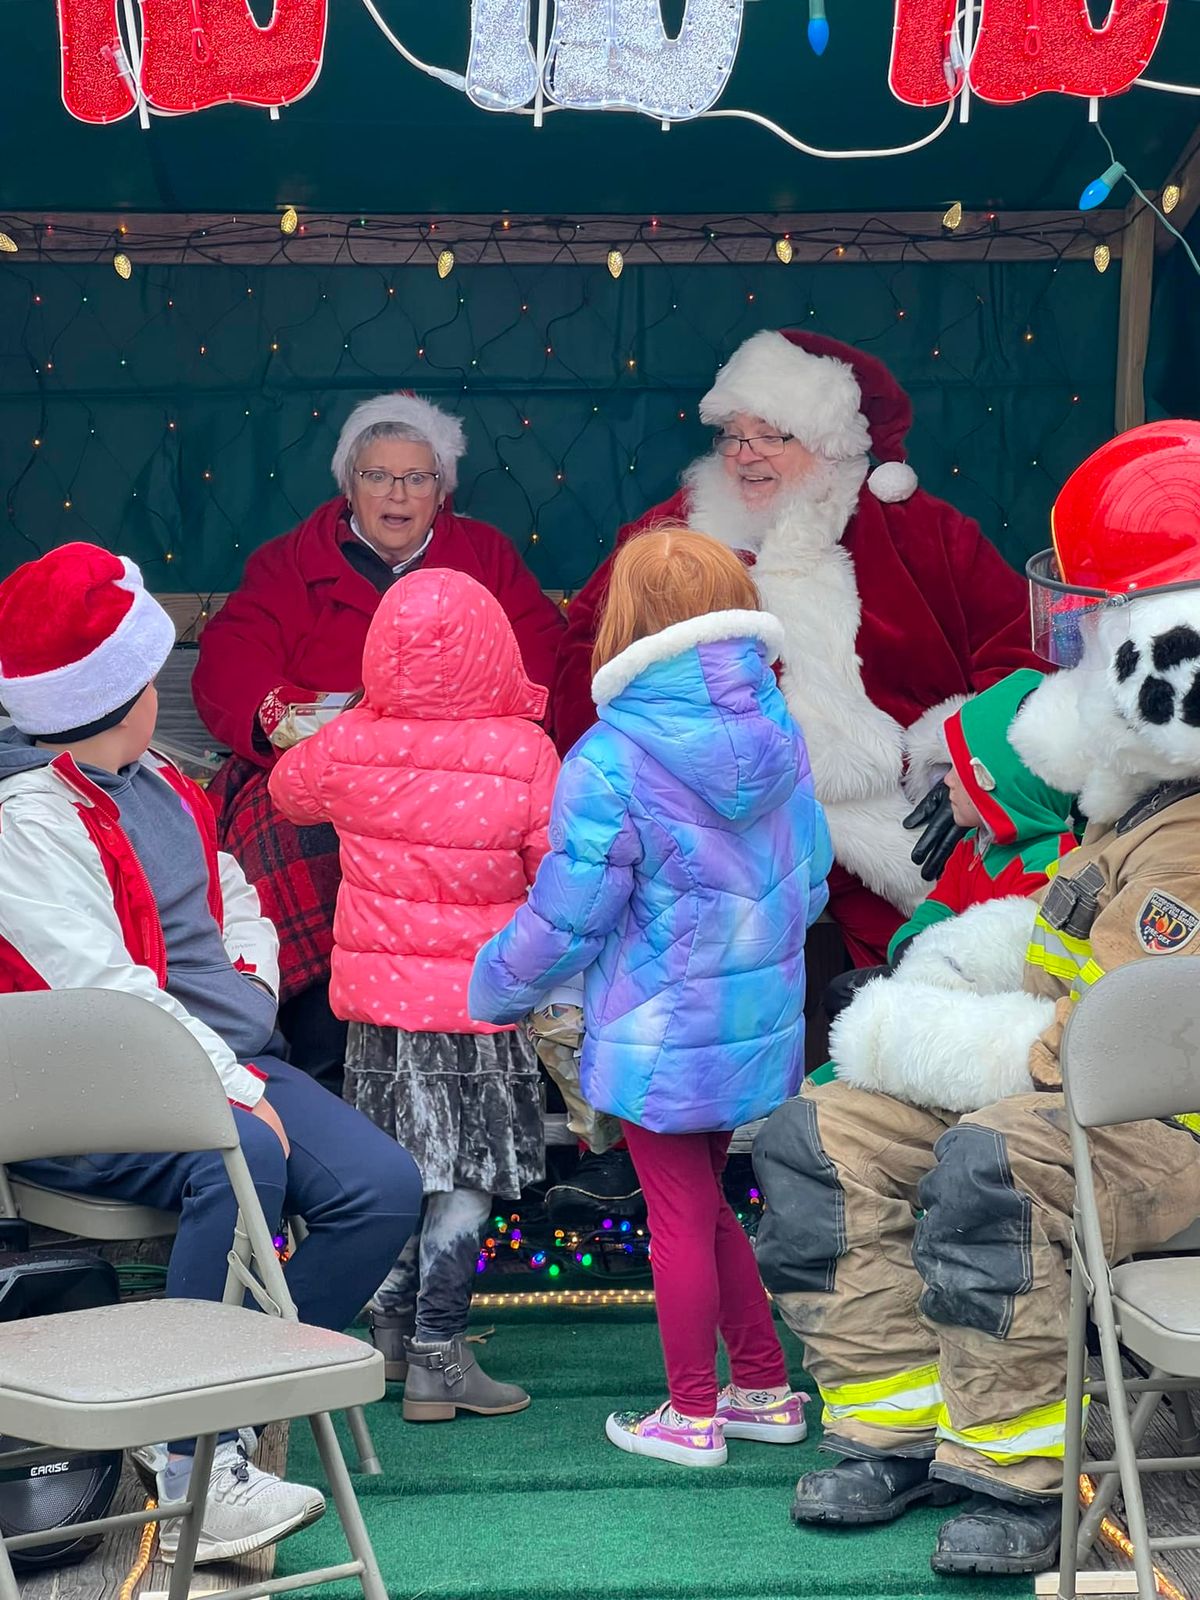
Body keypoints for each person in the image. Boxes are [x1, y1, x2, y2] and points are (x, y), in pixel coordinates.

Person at [752, 421, 1200, 1577]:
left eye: (1099, 630)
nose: (1080, 657)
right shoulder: (1138, 798)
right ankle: (897, 1426)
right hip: (1092, 1097)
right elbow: (1064, 939)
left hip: (1165, 1125)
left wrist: (910, 1033)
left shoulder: (1189, 832)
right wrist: (951, 962)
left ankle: (1015, 1464)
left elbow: (1108, 1040)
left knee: (995, 1161)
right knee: (821, 1134)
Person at [0, 543, 423, 1567]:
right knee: (243, 1160)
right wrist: (227, 1081)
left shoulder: (159, 781)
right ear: (125, 692)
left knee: (381, 1185)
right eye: (153, 677)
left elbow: (234, 894)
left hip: (221, 1059)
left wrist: (250, 980)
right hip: (103, 1096)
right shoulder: (28, 821)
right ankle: (194, 1460)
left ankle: (231, 1413)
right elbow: (109, 1000)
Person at [471, 528, 833, 1468]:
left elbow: (571, 917)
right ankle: (760, 1386)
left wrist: (498, 983)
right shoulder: (779, 732)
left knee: (676, 1216)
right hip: (754, 1020)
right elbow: (814, 880)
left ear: (626, 626)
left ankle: (691, 1413)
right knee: (710, 1207)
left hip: (660, 1028)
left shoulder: (610, 758)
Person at [552, 331, 1043, 966]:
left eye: (772, 435)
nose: (744, 456)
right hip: (722, 835)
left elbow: (1026, 646)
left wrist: (968, 762)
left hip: (897, 827)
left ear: (828, 443)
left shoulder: (916, 527)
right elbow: (588, 646)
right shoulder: (678, 531)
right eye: (733, 435)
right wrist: (644, 777)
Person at [193, 393, 566, 1095]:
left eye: (417, 478)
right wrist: (281, 714)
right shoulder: (290, 563)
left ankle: (487, 1043)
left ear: (441, 491)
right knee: (300, 844)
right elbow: (232, 657)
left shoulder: (483, 557)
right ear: (348, 484)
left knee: (500, 843)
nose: (396, 495)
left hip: (462, 773)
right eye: (377, 476)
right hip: (322, 769)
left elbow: (540, 655)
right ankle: (317, 1053)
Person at [270, 567, 558, 1424]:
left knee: (396, 1172)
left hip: (380, 1016)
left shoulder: (352, 742)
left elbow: (288, 794)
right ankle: (441, 1353)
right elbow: (554, 872)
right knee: (468, 1177)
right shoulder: (525, 752)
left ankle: (390, 1333)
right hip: (482, 1005)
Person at [818, 667, 1076, 1028]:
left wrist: (923, 968)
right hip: (941, 978)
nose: (947, 782)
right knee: (843, 993)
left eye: (961, 771)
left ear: (995, 783)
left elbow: (1013, 970)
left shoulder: (1047, 864)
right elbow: (936, 909)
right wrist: (908, 949)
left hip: (985, 1011)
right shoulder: (973, 845)